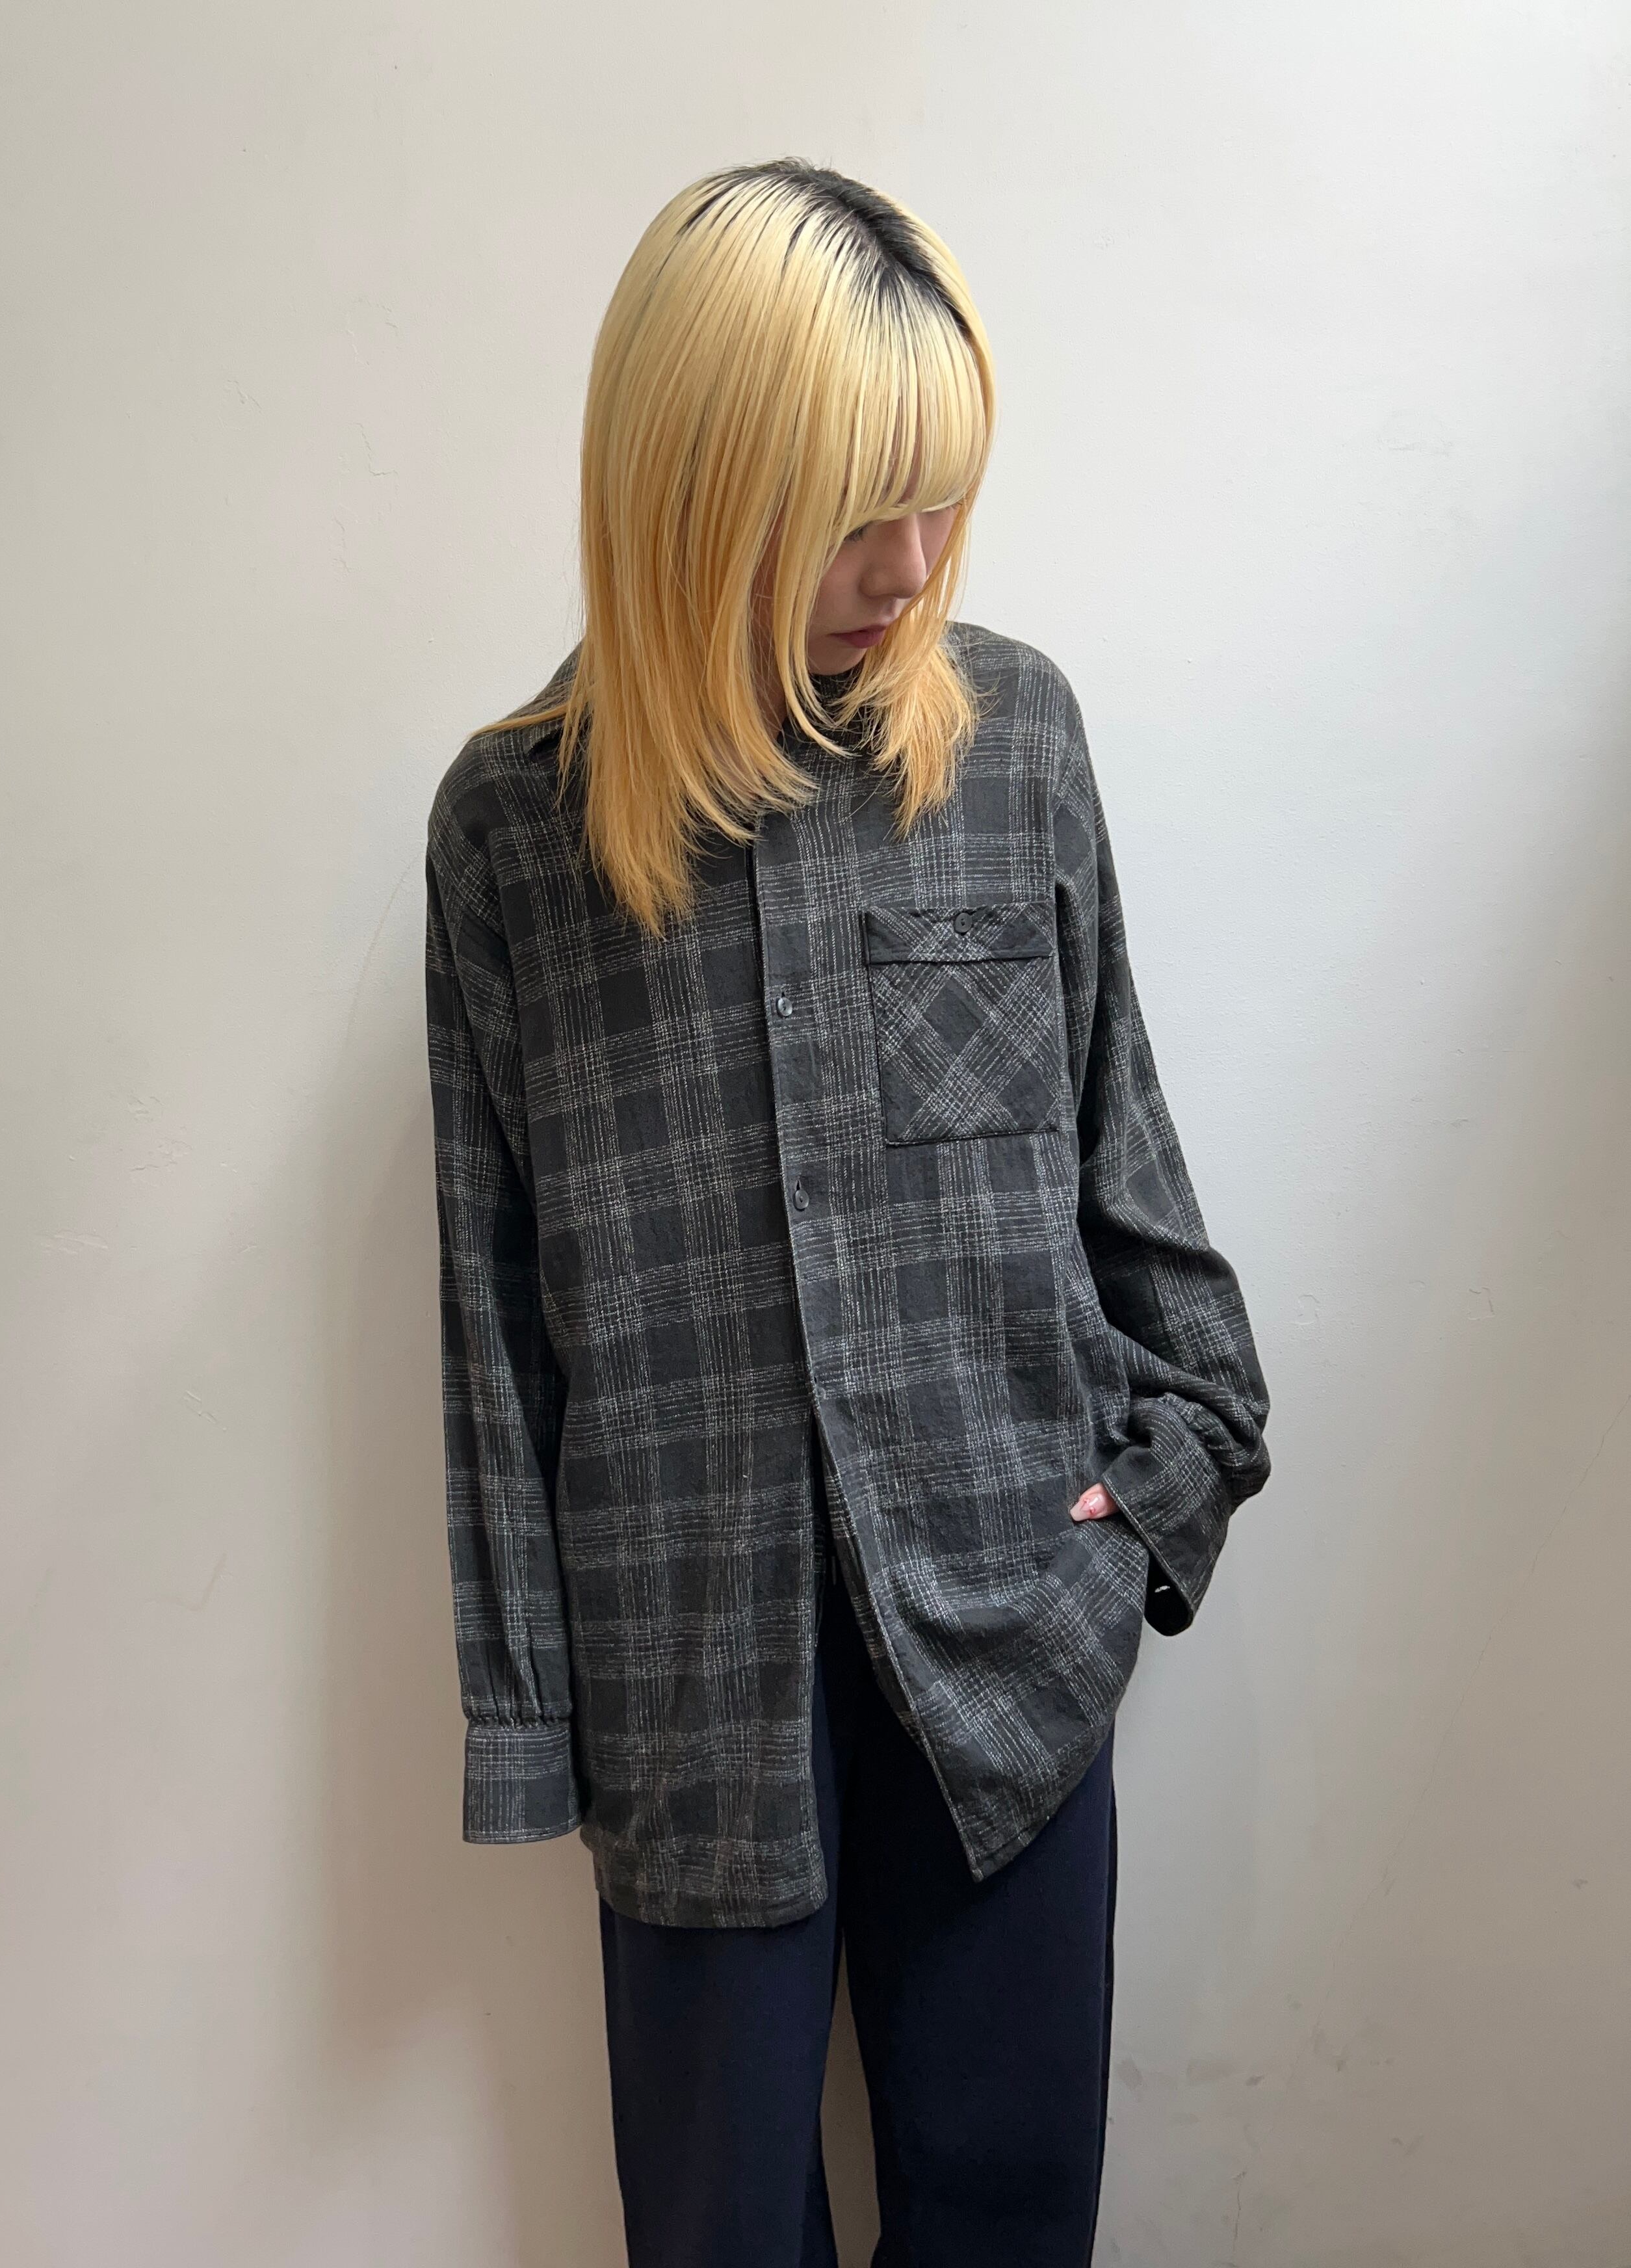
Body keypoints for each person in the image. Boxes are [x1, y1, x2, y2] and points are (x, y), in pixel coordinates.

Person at [424, 158, 1272, 2268]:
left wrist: (1165, 1491)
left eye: (940, 502)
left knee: (1009, 2218)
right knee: (717, 2232)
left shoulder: (1016, 745)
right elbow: (491, 1328)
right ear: (696, 490)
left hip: (1011, 1635)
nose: (912, 565)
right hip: (690, 1685)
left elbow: (1136, 1189)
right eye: (855, 511)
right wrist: (530, 1714)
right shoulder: (513, 835)